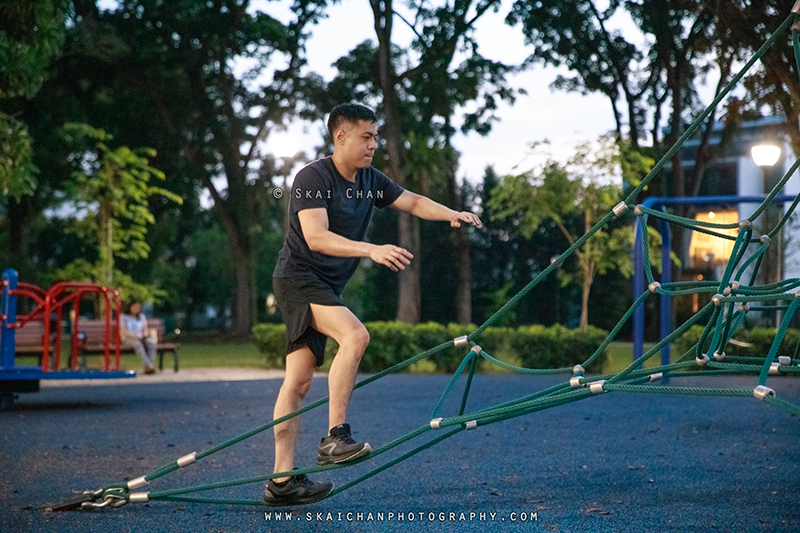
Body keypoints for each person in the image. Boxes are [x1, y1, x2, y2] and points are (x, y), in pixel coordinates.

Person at [264, 103, 482, 506]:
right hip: (298, 279)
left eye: (375, 137)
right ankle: (335, 438)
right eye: (366, 137)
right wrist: (372, 249)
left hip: (324, 283)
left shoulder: (370, 180)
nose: (373, 145)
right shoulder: (312, 177)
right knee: (355, 335)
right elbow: (316, 238)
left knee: (298, 382)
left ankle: (281, 482)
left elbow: (413, 201)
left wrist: (452, 214)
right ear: (340, 137)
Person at [120, 301, 157, 375]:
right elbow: (124, 331)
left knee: (151, 344)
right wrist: (135, 337)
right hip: (129, 338)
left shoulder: (141, 317)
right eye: (134, 307)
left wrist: (144, 335)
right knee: (138, 344)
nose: (136, 309)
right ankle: (149, 365)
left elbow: (145, 328)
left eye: (138, 308)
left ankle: (148, 367)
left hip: (141, 337)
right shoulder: (123, 317)